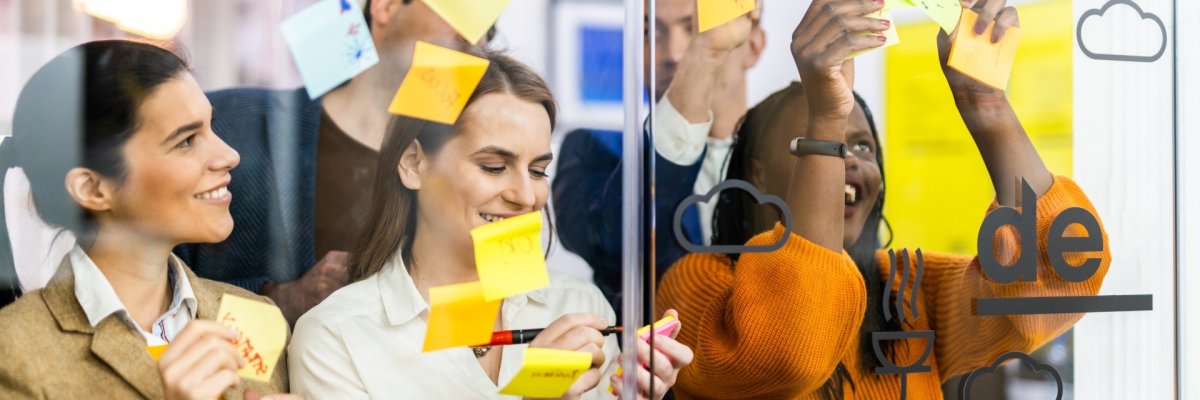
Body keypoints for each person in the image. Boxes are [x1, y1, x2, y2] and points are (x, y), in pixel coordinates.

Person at [656, 0, 1110, 398]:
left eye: (863, 147)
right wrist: (827, 114)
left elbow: (1058, 284)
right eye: (814, 137)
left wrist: (987, 107)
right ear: (755, 169)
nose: (848, 161)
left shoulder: (906, 291)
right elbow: (788, 351)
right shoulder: (696, 288)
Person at [288, 48, 693, 399]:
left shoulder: (578, 306)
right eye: (495, 166)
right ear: (413, 163)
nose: (525, 195)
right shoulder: (336, 337)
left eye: (537, 171)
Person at [169, 0, 492, 325]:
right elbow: (147, 280)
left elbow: (496, 311)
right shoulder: (232, 124)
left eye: (490, 29)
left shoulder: (473, 172)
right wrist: (281, 300)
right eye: (466, 13)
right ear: (387, 6)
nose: (478, 43)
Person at [0, 40, 288, 399]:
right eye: (185, 141)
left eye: (211, 128)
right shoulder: (13, 351)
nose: (229, 155)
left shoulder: (256, 318)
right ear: (93, 188)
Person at [553, 0, 766, 310]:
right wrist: (704, 56)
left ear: (754, 46)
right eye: (649, 31)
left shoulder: (787, 157)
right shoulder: (594, 150)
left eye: (694, 28)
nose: (674, 53)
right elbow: (613, 244)